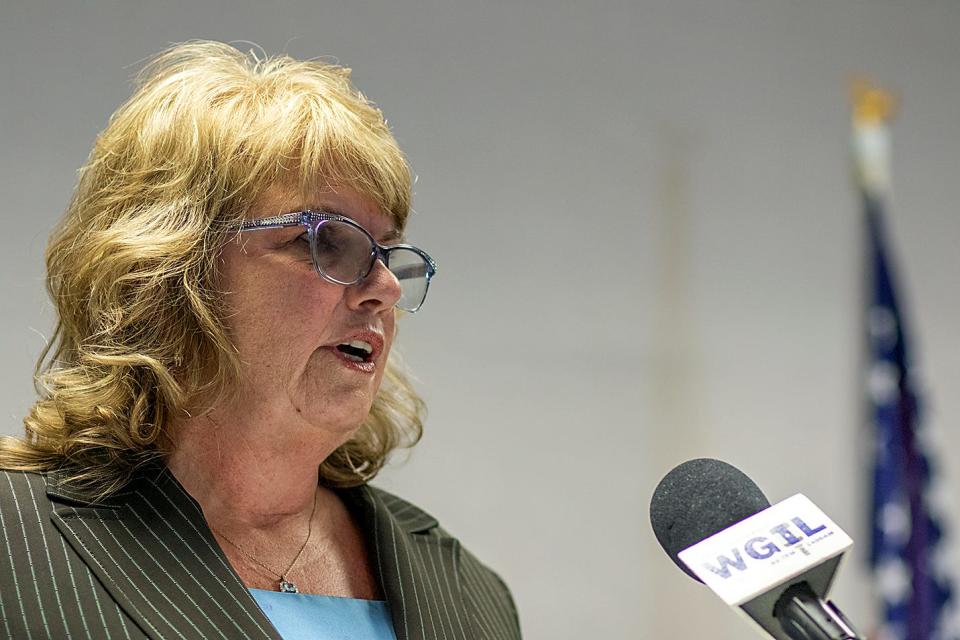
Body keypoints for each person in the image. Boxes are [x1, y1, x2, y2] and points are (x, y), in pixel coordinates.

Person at [0, 40, 521, 640]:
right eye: (326, 241)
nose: (384, 288)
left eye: (388, 255)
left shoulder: (469, 591)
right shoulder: (16, 542)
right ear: (171, 270)